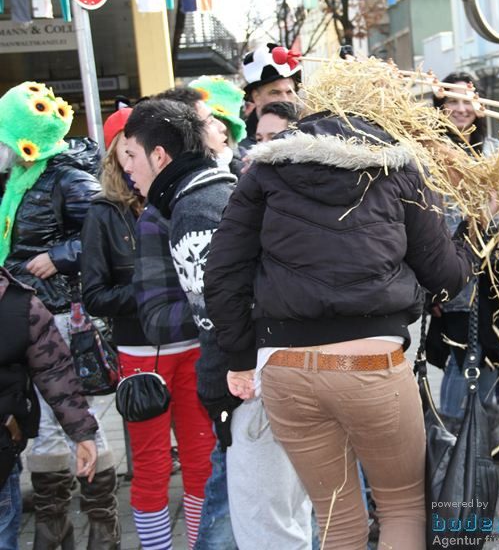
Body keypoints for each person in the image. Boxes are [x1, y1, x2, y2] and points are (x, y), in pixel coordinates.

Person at [203, 97, 477, 548]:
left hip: (286, 366)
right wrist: (473, 235)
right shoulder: (397, 169)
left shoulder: (265, 173)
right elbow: (445, 276)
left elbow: (223, 271)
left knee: (336, 520)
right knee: (403, 507)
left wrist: (237, 356)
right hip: (370, 363)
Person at [123, 98, 313, 549]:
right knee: (287, 517)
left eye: (130, 154)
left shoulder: (195, 208)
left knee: (266, 528)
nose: (126, 168)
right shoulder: (211, 193)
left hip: (252, 389)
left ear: (159, 156)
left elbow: (222, 315)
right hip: (268, 379)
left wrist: (228, 382)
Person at [81, 108, 216, 550]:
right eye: (124, 154)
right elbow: (95, 294)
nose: (130, 164)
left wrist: (173, 295)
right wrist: (149, 293)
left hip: (194, 346)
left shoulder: (183, 197)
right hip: (141, 357)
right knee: (153, 465)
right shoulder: (104, 212)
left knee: (201, 459)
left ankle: (197, 542)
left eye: (135, 153)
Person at [0, 82, 119, 549]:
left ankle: (102, 527)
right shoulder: (16, 180)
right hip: (25, 318)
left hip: (61, 320)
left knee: (74, 418)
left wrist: (63, 253)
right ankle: (54, 526)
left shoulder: (66, 178)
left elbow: (111, 225)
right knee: (51, 424)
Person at [427, 71, 499, 465]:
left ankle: (481, 438)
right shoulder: (428, 154)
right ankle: (447, 442)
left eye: (468, 101)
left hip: (496, 275)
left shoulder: (493, 151)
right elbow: (429, 221)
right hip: (453, 275)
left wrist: (497, 211)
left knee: (494, 355)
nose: (461, 109)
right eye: (453, 102)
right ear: (440, 108)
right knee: (463, 360)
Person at [0, 268, 98, 549]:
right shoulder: (19, 302)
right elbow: (55, 371)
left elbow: (54, 370)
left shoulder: (19, 304)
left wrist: (83, 433)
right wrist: (82, 433)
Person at [239, 44, 302, 155]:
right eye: (275, 92)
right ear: (256, 97)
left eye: (289, 92)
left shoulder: (313, 132)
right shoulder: (241, 148)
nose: (285, 99)